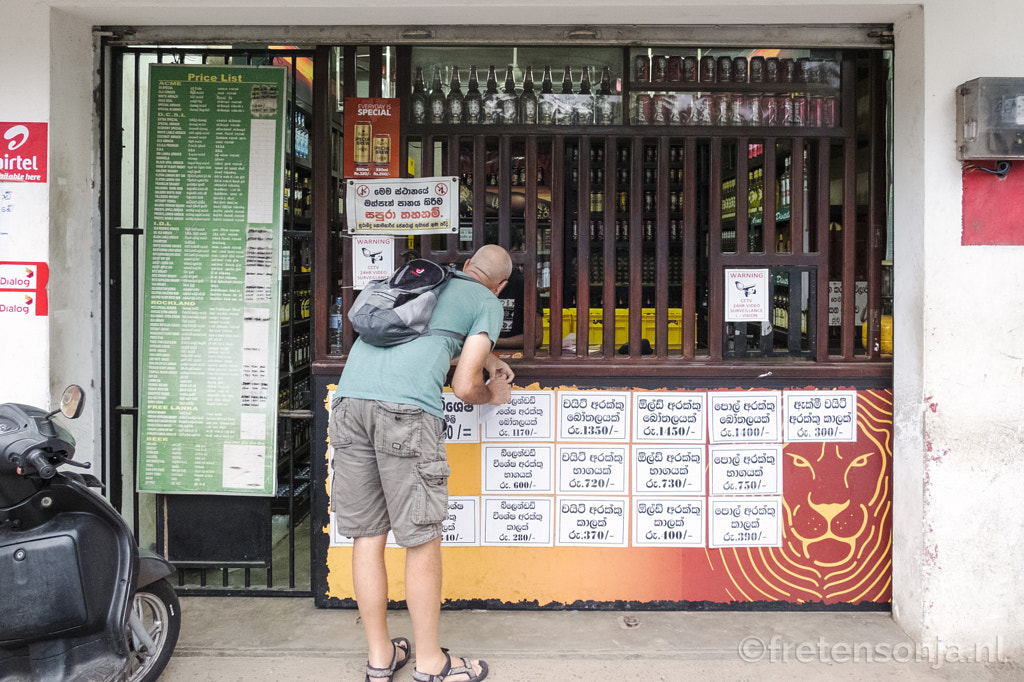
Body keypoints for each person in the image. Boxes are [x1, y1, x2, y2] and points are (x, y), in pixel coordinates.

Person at [330, 244, 514, 682]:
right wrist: (495, 393)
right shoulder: (486, 302)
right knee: (421, 538)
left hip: (350, 402)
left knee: (367, 536)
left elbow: (426, 339)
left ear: (467, 266)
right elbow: (466, 386)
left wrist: (486, 355)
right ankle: (431, 662)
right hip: (405, 414)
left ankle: (380, 657)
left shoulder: (428, 280)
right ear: (501, 285)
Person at [493, 265, 544, 350]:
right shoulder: (477, 285)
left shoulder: (523, 285)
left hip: (518, 355)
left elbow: (536, 338)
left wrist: (493, 342)